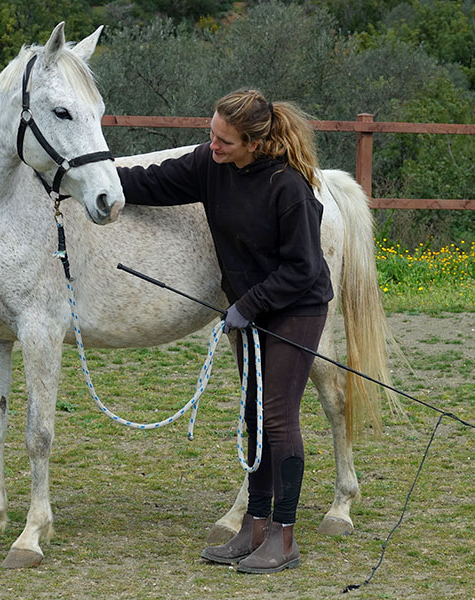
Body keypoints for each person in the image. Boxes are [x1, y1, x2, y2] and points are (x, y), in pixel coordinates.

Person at [116, 89, 333, 574]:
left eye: (224, 141)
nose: (212, 145)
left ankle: (284, 536)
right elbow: (151, 182)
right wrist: (88, 176)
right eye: (211, 135)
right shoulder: (209, 165)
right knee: (255, 415)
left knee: (278, 417)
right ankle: (253, 527)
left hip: (297, 308)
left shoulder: (288, 187)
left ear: (254, 142)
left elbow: (303, 268)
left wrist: (247, 305)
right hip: (249, 312)